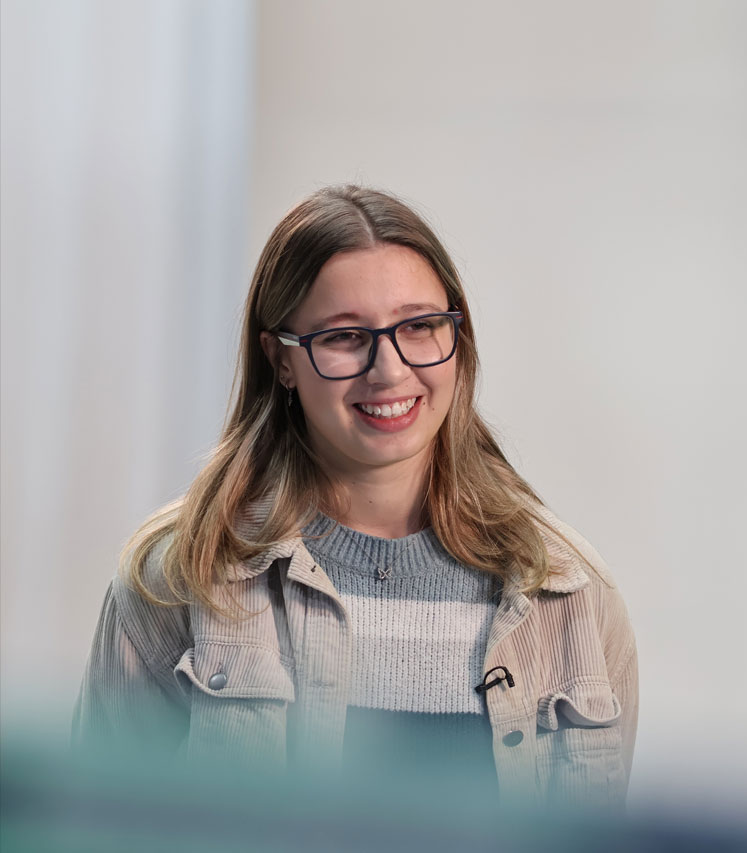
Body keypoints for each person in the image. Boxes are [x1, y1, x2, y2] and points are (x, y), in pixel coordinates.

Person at [73, 185, 638, 810]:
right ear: (281, 359)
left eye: (420, 326)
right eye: (344, 338)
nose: (389, 370)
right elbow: (97, 826)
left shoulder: (571, 594)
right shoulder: (178, 576)